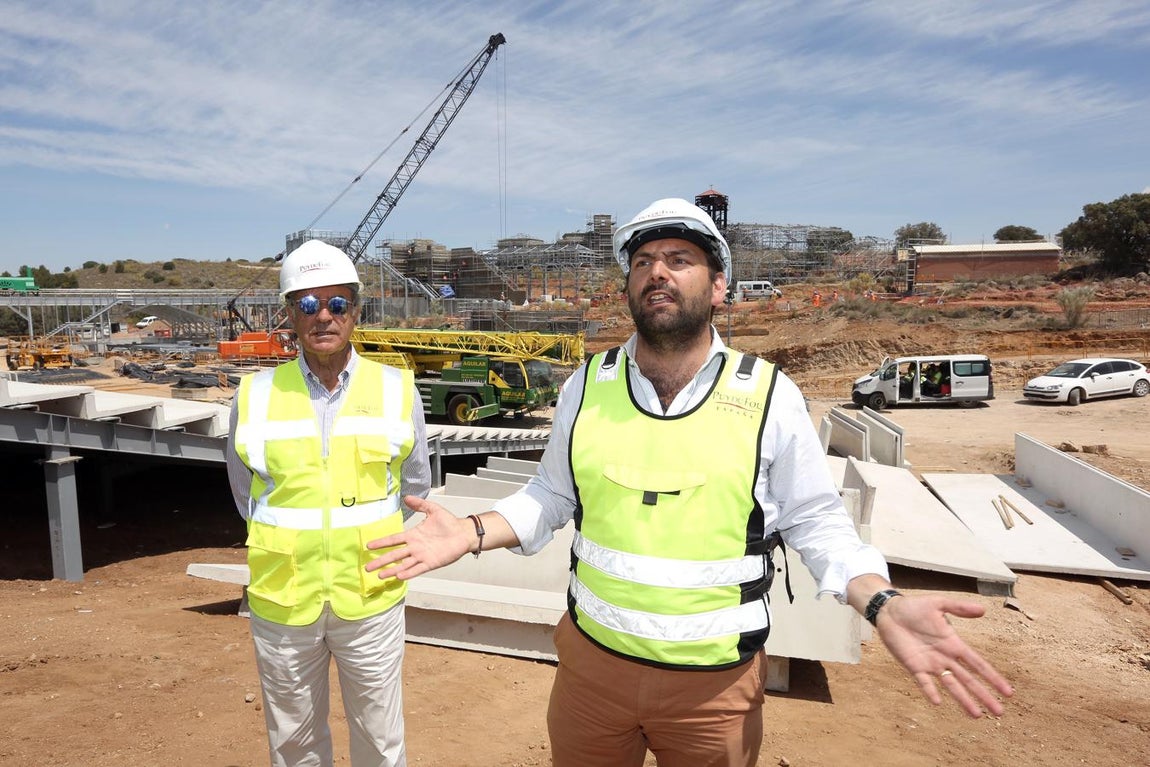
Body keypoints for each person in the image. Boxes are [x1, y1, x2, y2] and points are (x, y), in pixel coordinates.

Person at [364, 199, 1012, 766]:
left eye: (679, 258)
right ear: (628, 286)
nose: (658, 272)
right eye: (643, 261)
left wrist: (880, 599)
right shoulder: (586, 384)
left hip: (713, 691)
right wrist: (474, 531)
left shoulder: (769, 395)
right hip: (592, 674)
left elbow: (817, 522)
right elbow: (550, 497)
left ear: (719, 286)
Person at [226, 239, 432, 767]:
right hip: (283, 602)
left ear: (356, 311)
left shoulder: (397, 390)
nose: (323, 316)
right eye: (308, 304)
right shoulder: (253, 394)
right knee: (293, 742)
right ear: (290, 314)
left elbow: (414, 489)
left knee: (381, 742)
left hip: (369, 597)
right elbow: (246, 492)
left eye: (337, 303)